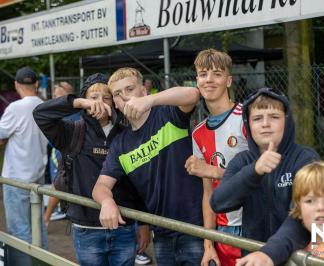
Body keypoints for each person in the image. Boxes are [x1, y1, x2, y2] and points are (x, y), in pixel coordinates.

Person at [33, 73, 150, 266]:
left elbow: (138, 179)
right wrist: (78, 103)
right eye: (93, 97)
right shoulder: (71, 131)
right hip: (85, 229)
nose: (100, 103)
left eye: (106, 97)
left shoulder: (127, 133)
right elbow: (40, 114)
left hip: (124, 227)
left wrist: (144, 224)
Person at [92, 67, 204, 265]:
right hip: (161, 233)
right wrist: (107, 202)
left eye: (129, 89)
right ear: (115, 104)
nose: (124, 97)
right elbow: (100, 186)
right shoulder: (120, 144)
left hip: (195, 228)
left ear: (143, 91)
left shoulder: (167, 113)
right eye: (117, 94)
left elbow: (194, 94)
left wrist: (151, 100)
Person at [210, 87, 320, 265]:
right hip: (254, 258)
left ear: (287, 120)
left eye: (274, 117)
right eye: (257, 118)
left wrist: (270, 252)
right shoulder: (242, 161)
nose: (265, 123)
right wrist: (254, 171)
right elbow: (218, 202)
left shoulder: (305, 159)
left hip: (296, 258)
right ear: (248, 124)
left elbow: (303, 217)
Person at [185, 49, 248, 266]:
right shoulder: (198, 132)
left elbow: (267, 175)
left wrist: (215, 171)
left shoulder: (248, 118)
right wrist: (208, 244)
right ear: (197, 81)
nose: (209, 79)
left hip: (256, 225)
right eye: (203, 74)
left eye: (217, 74)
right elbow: (208, 193)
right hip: (224, 231)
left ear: (228, 80)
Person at [0, 66, 49, 265]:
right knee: (38, 228)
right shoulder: (44, 105)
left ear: (16, 84)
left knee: (19, 231)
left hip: (16, 179)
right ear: (36, 84)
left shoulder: (15, 108)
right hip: (37, 176)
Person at [45, 81, 80, 225]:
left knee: (59, 182)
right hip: (61, 150)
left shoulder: (76, 110)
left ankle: (46, 218)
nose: (55, 97)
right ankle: (53, 214)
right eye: (54, 95)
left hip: (64, 152)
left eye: (58, 94)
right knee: (61, 182)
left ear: (67, 93)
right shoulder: (63, 111)